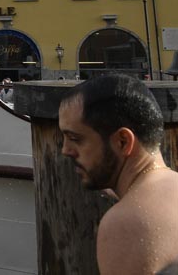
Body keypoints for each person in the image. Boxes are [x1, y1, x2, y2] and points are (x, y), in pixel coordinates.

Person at [58, 73, 178, 274]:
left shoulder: (126, 224)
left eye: (75, 138)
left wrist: (127, 209)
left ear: (122, 141)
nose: (65, 150)